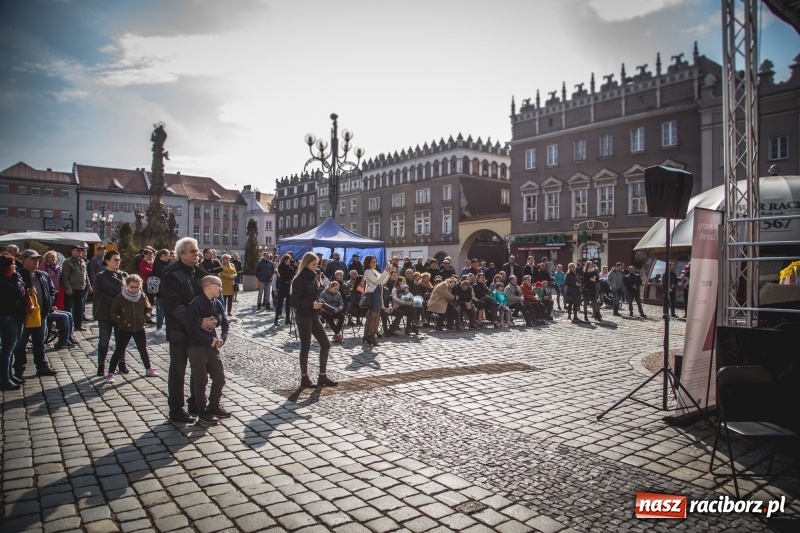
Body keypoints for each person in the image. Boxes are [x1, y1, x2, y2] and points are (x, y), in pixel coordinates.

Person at [162, 237, 216, 426]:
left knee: (198, 368)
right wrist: (198, 321)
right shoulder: (171, 275)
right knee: (178, 370)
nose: (197, 253)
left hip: (196, 331)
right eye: (192, 251)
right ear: (181, 254)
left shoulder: (198, 272)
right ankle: (176, 408)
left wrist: (211, 316)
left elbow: (205, 299)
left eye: (197, 250)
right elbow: (174, 306)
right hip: (179, 330)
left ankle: (196, 402)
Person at [186, 275, 232, 426]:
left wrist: (223, 339)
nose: (221, 288)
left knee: (219, 378)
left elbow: (225, 323)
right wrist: (208, 340)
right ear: (208, 286)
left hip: (212, 346)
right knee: (201, 380)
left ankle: (214, 405)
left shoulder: (217, 302)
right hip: (196, 347)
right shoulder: (196, 303)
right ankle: (203, 411)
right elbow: (191, 328)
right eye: (218, 285)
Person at [291, 252, 337, 387]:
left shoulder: (312, 278)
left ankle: (322, 376)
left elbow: (316, 297)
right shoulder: (299, 279)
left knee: (326, 344)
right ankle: (304, 378)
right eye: (313, 264)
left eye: (317, 263)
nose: (316, 266)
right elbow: (294, 301)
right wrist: (312, 305)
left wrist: (327, 307)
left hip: (313, 315)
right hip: (303, 316)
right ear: (306, 264)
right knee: (305, 346)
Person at [14, 249, 58, 378]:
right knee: (21, 344)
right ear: (24, 259)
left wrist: (50, 304)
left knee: (39, 342)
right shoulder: (18, 275)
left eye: (38, 258)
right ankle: (19, 368)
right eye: (33, 259)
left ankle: (42, 366)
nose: (36, 261)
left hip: (41, 314)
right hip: (24, 316)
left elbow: (51, 291)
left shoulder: (43, 275)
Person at [106, 274, 158, 382]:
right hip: (125, 328)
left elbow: (148, 308)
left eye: (137, 287)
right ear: (126, 285)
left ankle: (148, 369)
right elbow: (113, 312)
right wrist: (121, 320)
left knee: (142, 349)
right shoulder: (121, 297)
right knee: (119, 350)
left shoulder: (142, 296)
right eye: (132, 287)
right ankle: (111, 373)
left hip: (139, 327)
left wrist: (146, 317)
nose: (134, 290)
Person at [93, 250, 128, 377]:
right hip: (105, 312)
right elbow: (98, 294)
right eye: (115, 259)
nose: (118, 262)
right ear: (107, 261)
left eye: (119, 260)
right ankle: (101, 365)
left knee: (121, 340)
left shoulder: (124, 275)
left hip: (121, 313)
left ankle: (122, 363)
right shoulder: (100, 276)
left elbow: (130, 290)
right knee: (104, 341)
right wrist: (115, 301)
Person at [1, 253, 27, 390]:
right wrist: (17, 277)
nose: (15, 267)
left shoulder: (10, 278)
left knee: (12, 348)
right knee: (7, 349)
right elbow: (17, 291)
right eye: (12, 265)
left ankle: (9, 375)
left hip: (16, 315)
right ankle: (4, 378)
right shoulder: (4, 281)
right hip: (8, 316)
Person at [61, 245, 91, 331]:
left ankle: (78, 324)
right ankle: (67, 325)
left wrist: (88, 285)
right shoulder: (67, 262)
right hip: (71, 288)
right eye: (77, 250)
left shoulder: (82, 261)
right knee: (69, 308)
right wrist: (68, 288)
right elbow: (65, 276)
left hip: (81, 288)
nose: (79, 252)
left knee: (80, 308)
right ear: (72, 251)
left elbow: (86, 275)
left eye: (81, 251)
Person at [362, 255, 390, 346]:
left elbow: (382, 281)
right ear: (368, 263)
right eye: (373, 261)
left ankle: (366, 336)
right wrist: (385, 271)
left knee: (371, 317)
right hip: (373, 295)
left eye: (375, 261)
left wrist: (388, 273)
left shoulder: (374, 271)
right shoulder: (367, 271)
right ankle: (372, 337)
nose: (375, 263)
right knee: (374, 317)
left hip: (377, 294)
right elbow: (377, 281)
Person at [152, 249, 170, 336]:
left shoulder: (166, 263)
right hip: (160, 289)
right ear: (162, 255)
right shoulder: (157, 263)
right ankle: (158, 328)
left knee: (164, 309)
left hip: (165, 289)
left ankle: (164, 327)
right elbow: (162, 274)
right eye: (167, 255)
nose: (168, 257)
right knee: (161, 309)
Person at [274, 254, 295, 326]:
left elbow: (293, 273)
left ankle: (287, 319)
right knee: (279, 303)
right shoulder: (281, 266)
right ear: (285, 260)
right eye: (289, 259)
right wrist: (288, 266)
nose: (290, 261)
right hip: (282, 286)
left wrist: (293, 265)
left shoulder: (290, 266)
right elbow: (284, 274)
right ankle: (276, 319)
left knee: (288, 303)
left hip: (288, 286)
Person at [88, 245, 106, 319]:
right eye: (101, 251)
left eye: (104, 251)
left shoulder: (105, 259)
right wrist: (93, 283)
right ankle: (95, 315)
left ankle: (102, 313)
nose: (103, 253)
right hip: (97, 281)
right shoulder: (94, 260)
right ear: (97, 251)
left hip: (105, 281)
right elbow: (92, 272)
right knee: (96, 299)